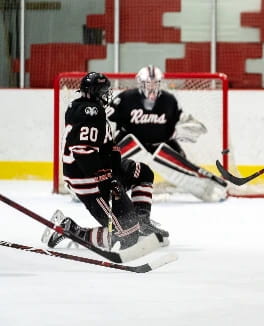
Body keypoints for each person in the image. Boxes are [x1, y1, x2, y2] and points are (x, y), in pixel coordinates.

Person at [42, 72, 169, 253]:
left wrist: (115, 172)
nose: (107, 93)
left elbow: (106, 148)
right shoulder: (90, 112)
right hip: (89, 182)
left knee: (143, 172)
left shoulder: (91, 109)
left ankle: (142, 222)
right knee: (127, 237)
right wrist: (107, 180)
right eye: (103, 90)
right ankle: (71, 229)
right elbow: (83, 152)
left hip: (102, 173)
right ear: (94, 92)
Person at [106, 65, 228, 202]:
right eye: (148, 83)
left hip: (161, 145)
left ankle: (211, 187)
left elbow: (186, 123)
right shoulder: (126, 98)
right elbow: (105, 120)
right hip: (130, 145)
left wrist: (184, 129)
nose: (152, 87)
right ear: (140, 82)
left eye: (155, 83)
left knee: (184, 164)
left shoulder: (169, 100)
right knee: (106, 163)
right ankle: (95, 187)